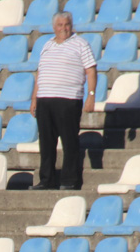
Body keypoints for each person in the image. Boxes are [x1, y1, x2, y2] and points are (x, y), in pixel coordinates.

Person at [31, 11, 97, 191]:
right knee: (46, 142)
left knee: (69, 141)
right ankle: (46, 179)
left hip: (68, 99)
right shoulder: (47, 45)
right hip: (45, 99)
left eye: (66, 24)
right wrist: (34, 98)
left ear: (71, 25)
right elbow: (40, 73)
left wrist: (91, 95)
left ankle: (69, 180)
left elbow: (91, 70)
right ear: (54, 27)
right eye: (60, 25)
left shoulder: (81, 44)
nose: (63, 28)